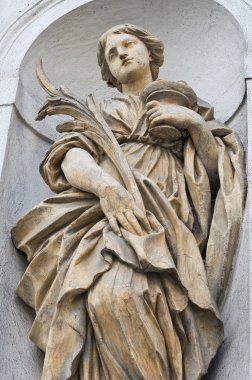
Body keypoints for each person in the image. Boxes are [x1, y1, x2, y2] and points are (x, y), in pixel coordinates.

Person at [12, 24, 245, 380]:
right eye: (111, 53)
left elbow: (219, 176)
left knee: (157, 302)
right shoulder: (101, 113)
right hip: (111, 215)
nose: (121, 52)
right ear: (108, 72)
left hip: (171, 219)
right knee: (108, 298)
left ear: (150, 52)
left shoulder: (186, 106)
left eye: (128, 43)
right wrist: (107, 190)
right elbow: (71, 157)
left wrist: (195, 125)